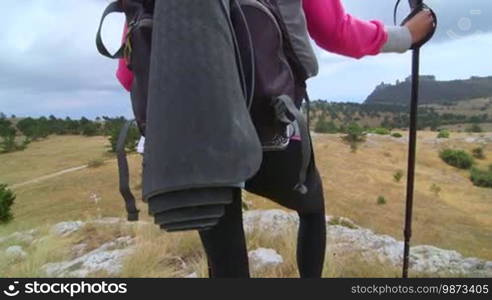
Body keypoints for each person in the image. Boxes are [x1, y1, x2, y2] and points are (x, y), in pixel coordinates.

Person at [115, 0, 434, 278]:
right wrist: (406, 36)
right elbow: (337, 32)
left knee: (227, 267)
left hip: (194, 141)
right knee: (311, 210)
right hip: (270, 124)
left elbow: (128, 74)